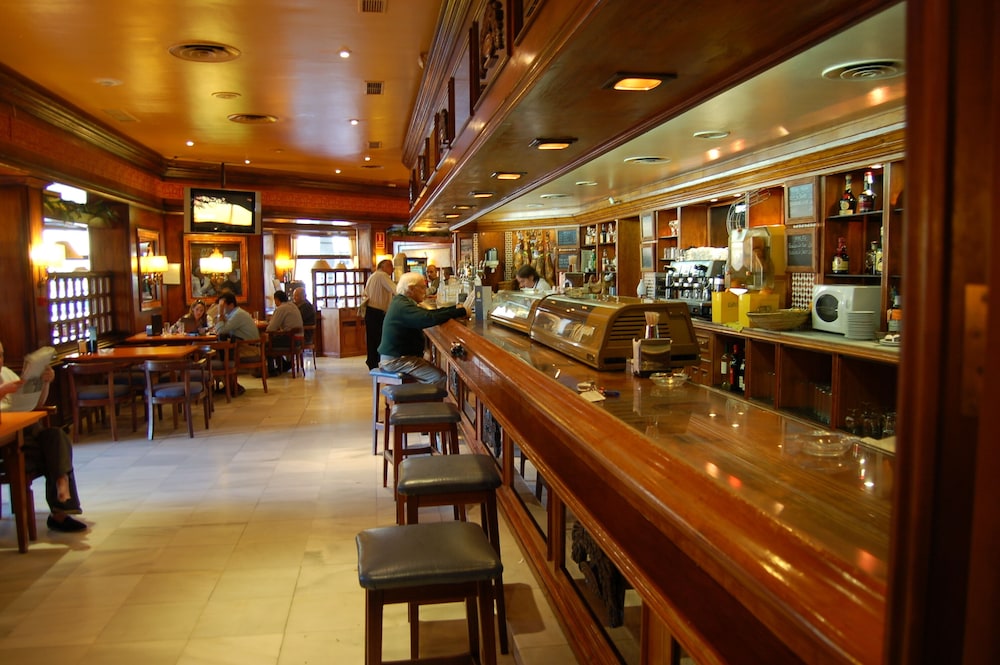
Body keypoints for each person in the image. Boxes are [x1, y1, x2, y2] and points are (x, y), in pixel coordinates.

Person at [0, 342, 86, 532]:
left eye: (1, 355)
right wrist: (2, 391)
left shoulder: (5, 373)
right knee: (54, 451)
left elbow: (35, 404)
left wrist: (45, 382)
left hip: (25, 431)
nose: (0, 360)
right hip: (6, 443)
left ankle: (61, 489)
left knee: (57, 436)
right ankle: (61, 503)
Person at [378, 272, 475, 390]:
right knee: (441, 378)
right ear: (411, 289)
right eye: (422, 287)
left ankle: (423, 397)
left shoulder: (401, 301)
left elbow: (430, 314)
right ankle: (421, 401)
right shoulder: (403, 306)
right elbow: (428, 318)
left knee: (437, 374)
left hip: (398, 357)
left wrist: (456, 309)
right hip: (396, 360)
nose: (425, 291)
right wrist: (460, 311)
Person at [212, 292, 260, 394]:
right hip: (243, 346)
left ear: (231, 305)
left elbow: (220, 330)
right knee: (218, 354)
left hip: (249, 349)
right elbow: (219, 329)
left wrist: (220, 313)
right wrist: (221, 315)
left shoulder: (238, 314)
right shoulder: (231, 314)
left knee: (217, 356)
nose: (220, 308)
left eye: (222, 306)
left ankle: (231, 386)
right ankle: (231, 385)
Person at [362, 259, 396, 370]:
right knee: (379, 339)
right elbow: (396, 290)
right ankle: (377, 363)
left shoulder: (373, 276)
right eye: (391, 266)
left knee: (372, 340)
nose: (393, 269)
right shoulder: (382, 275)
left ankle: (372, 363)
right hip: (377, 313)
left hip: (370, 311)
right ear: (384, 267)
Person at [266, 290, 304, 374]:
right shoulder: (293, 306)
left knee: (266, 344)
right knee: (275, 340)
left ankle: (271, 370)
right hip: (299, 340)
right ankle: (283, 365)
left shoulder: (281, 308)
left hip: (290, 340)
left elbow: (271, 328)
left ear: (277, 299)